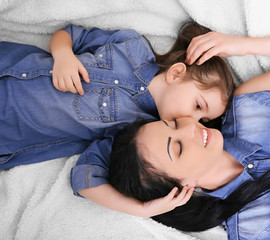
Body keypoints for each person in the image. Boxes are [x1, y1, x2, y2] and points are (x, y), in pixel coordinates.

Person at [107, 35, 270, 239]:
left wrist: (242, 45)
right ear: (183, 189)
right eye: (179, 147)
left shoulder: (250, 107)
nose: (189, 127)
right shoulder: (253, 228)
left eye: (172, 123)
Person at [0, 22, 234, 216]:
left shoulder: (138, 134)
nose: (192, 121)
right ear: (176, 73)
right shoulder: (132, 46)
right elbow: (70, 34)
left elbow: (85, 178)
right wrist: (63, 55)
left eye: (203, 119)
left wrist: (142, 209)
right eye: (197, 106)